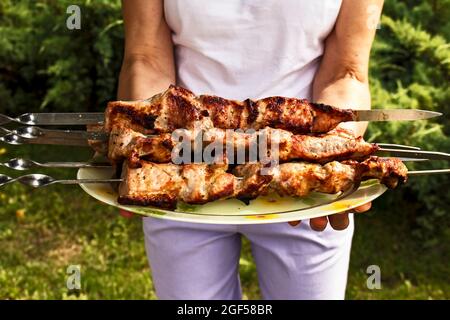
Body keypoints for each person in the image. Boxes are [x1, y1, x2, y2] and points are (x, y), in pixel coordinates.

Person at [118, 0, 383, 299]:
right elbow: (146, 57)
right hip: (182, 176)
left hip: (302, 193)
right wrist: (145, 148)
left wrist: (332, 155)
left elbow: (346, 71)